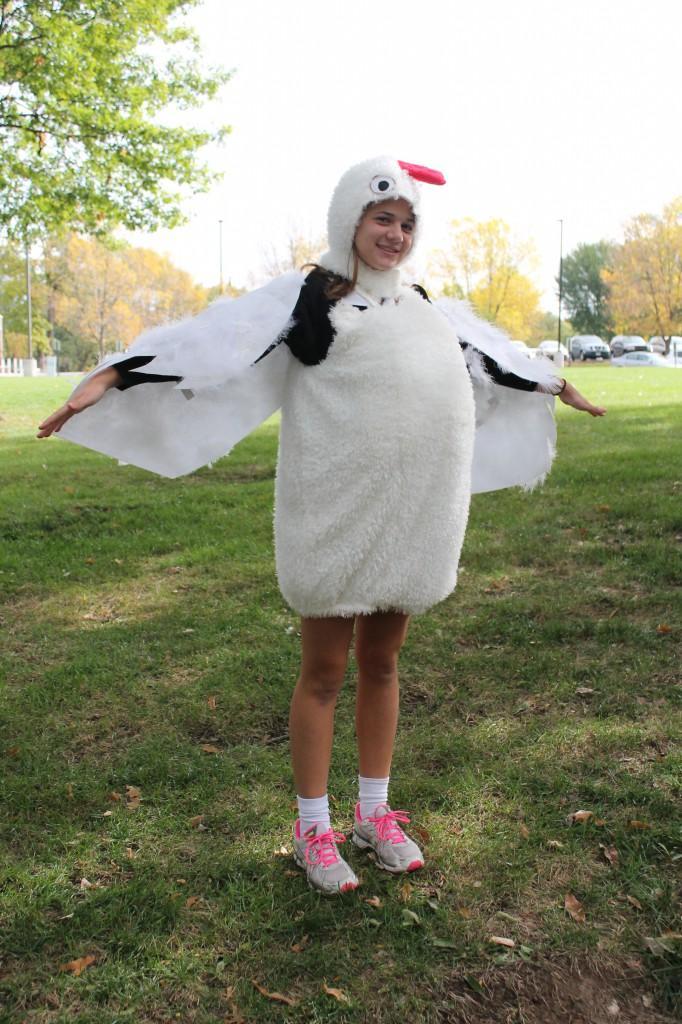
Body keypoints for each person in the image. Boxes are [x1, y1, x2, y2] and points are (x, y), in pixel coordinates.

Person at [38, 156, 605, 895]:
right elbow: (215, 342)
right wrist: (110, 377)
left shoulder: (424, 305)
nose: (395, 235)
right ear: (351, 221)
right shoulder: (310, 297)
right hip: (335, 514)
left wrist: (554, 382)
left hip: (411, 514)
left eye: (407, 223)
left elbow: (491, 356)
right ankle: (314, 826)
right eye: (382, 219)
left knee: (385, 663)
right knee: (325, 672)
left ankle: (374, 813)